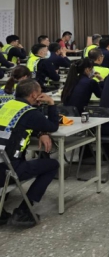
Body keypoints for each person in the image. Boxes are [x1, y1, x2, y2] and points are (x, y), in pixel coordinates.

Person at [0, 80, 59, 228]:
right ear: (34, 95)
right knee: (52, 165)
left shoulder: (4, 106)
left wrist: (39, 133)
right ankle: (24, 211)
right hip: (7, 171)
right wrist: (51, 103)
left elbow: (16, 126)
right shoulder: (30, 113)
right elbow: (53, 126)